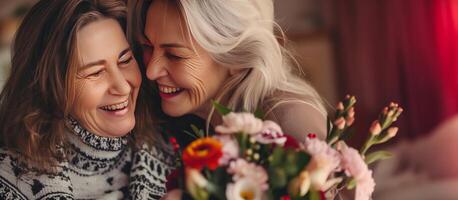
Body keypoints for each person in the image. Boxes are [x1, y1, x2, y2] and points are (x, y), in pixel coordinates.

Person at [0, 0, 173, 199]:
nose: (124, 86)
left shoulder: (177, 149)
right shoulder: (9, 181)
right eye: (96, 73)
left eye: (125, 60)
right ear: (49, 87)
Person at [128, 0, 328, 142]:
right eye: (147, 46)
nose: (151, 72)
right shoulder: (175, 126)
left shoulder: (288, 122)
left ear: (238, 58)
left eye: (175, 55)